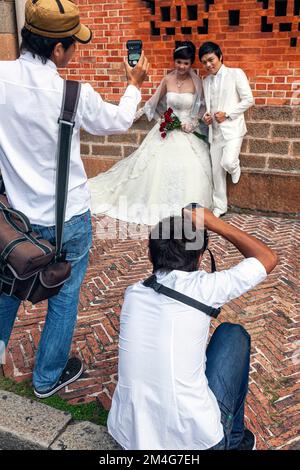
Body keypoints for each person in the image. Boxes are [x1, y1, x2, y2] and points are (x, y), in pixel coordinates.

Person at [0, 0, 148, 398]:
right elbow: (118, 122)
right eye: (73, 45)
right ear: (58, 50)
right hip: (69, 219)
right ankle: (47, 377)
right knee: (64, 295)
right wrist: (134, 83)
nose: (75, 51)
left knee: (6, 285)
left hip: (14, 219)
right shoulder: (74, 93)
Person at [107, 205, 278, 450]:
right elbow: (267, 258)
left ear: (149, 255)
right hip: (200, 441)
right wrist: (213, 223)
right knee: (233, 335)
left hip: (131, 437)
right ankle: (235, 442)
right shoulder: (205, 288)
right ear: (199, 258)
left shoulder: (133, 293)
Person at [88, 41, 213, 226]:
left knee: (188, 167)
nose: (182, 67)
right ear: (174, 61)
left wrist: (192, 123)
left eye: (186, 63)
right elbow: (154, 103)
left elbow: (202, 107)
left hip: (188, 131)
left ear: (191, 64)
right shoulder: (168, 80)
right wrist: (133, 115)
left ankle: (187, 210)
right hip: (168, 128)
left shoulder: (197, 82)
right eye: (179, 62)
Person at [199, 42, 254, 218]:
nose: (208, 65)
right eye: (204, 62)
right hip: (214, 133)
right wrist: (206, 117)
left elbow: (248, 100)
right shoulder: (205, 81)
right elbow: (208, 106)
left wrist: (228, 114)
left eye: (211, 60)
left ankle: (235, 167)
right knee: (216, 172)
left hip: (233, 130)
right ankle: (220, 207)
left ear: (220, 56)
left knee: (228, 162)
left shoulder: (236, 73)